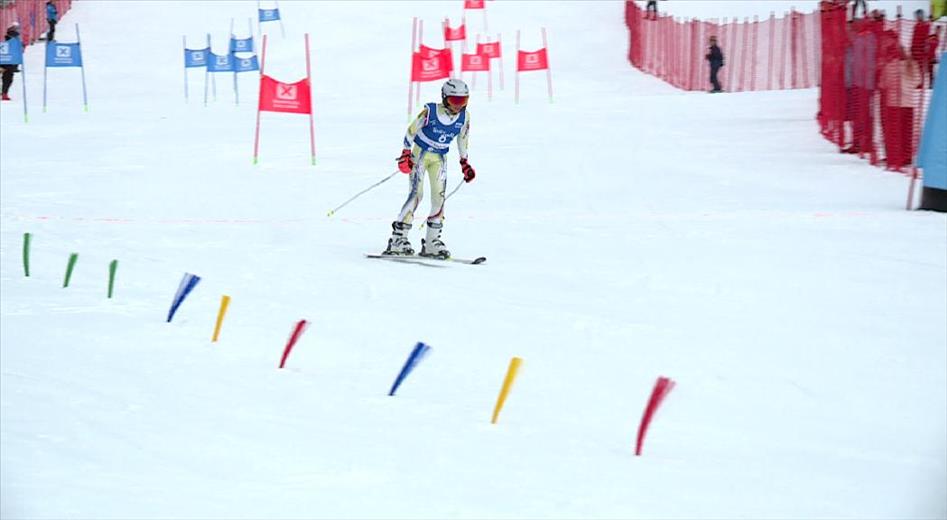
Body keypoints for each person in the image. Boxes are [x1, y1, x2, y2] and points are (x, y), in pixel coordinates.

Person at [384, 78, 475, 258]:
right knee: (416, 195)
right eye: (454, 101)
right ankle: (398, 238)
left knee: (439, 198)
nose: (458, 106)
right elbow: (411, 131)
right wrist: (405, 153)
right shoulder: (430, 112)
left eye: (463, 101)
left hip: (439, 158)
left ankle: (432, 241)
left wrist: (464, 162)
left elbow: (463, 139)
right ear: (445, 98)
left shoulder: (464, 117)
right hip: (421, 155)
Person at [1, 22, 21, 102]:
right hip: (5, 63)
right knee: (7, 78)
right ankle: (4, 93)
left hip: (11, 63)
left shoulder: (16, 39)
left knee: (8, 79)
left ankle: (4, 93)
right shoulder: (9, 40)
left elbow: (17, 53)